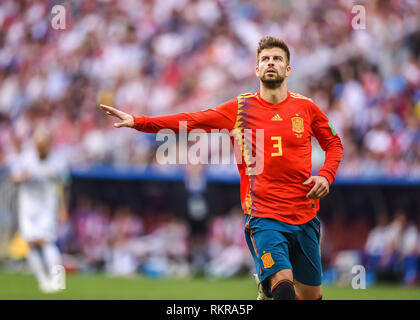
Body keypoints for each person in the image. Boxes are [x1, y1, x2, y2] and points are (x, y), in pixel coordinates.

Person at [98, 36, 343, 300]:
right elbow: (190, 120)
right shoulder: (241, 109)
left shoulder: (306, 108)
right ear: (257, 69)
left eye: (277, 59)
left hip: (305, 215)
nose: (271, 63)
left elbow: (334, 144)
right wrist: (138, 121)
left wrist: (326, 176)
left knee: (311, 297)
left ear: (288, 69)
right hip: (265, 217)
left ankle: (264, 287)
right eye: (265, 59)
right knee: (284, 291)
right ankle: (270, 282)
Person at [10, 127, 68, 293]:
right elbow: (14, 176)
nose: (40, 148)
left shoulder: (58, 162)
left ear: (49, 144)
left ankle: (57, 281)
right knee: (31, 244)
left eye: (44, 145)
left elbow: (64, 185)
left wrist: (63, 207)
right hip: (27, 207)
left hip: (47, 207)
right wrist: (22, 177)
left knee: (46, 241)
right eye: (38, 145)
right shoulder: (25, 159)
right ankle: (43, 282)